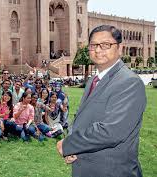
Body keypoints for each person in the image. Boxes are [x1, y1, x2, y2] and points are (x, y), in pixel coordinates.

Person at [57, 25, 146, 177]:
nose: (98, 50)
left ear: (119, 48)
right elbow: (82, 116)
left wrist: (68, 144)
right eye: (93, 45)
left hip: (111, 171)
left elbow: (111, 131)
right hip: (86, 167)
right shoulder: (94, 79)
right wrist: (73, 146)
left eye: (105, 45)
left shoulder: (129, 82)